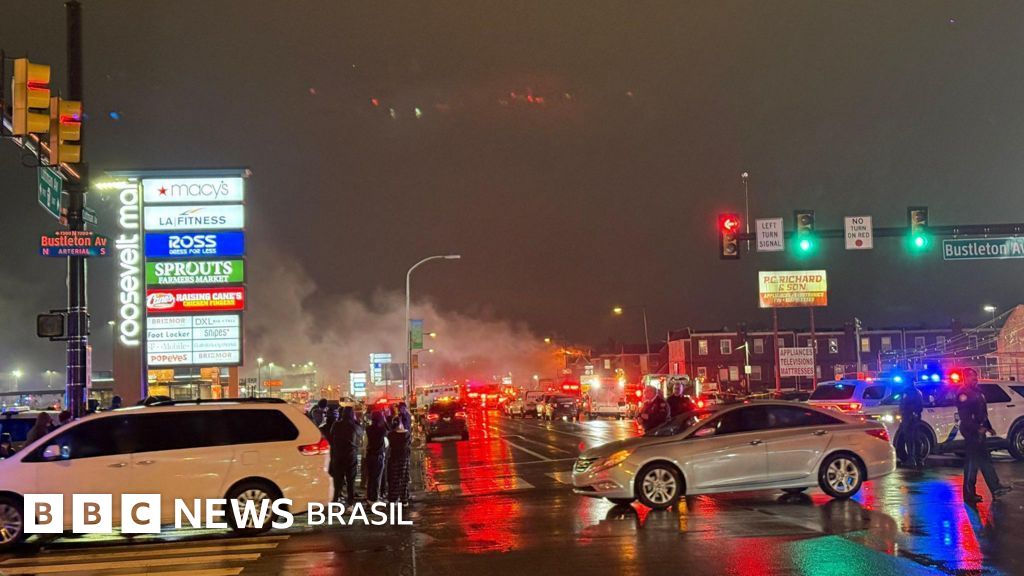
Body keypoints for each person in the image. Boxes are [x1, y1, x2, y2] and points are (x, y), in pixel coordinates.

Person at [957, 368, 1012, 504]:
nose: (975, 379)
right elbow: (965, 417)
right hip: (971, 432)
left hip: (980, 432)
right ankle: (970, 494)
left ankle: (995, 488)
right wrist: (977, 428)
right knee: (972, 464)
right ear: (965, 378)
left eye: (976, 376)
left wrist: (988, 427)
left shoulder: (978, 392)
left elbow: (983, 412)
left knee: (985, 460)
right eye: (972, 377)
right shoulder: (963, 393)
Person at [329, 406, 363, 504]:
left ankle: (335, 503)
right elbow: (360, 435)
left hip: (338, 456)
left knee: (338, 481)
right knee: (350, 481)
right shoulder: (355, 426)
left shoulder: (336, 425)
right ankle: (350, 504)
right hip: (350, 456)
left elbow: (331, 435)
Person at [386, 403, 413, 504]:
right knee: (403, 477)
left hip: (394, 457)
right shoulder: (406, 434)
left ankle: (394, 499)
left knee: (395, 478)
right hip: (404, 457)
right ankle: (404, 499)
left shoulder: (391, 435)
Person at [898, 380, 925, 468]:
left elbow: (903, 405)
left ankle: (911, 461)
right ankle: (919, 460)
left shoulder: (906, 392)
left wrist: (904, 413)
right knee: (917, 439)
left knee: (909, 440)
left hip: (908, 418)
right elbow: (921, 406)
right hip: (916, 418)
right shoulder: (918, 392)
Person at [364, 411, 389, 501]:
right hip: (378, 455)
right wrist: (384, 419)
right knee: (377, 478)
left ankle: (369, 497)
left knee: (370, 477)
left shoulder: (368, 429)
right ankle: (374, 499)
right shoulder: (382, 430)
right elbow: (388, 429)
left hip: (369, 455)